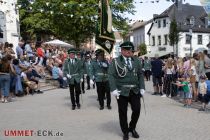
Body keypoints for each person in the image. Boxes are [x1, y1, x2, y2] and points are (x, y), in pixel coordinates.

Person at [108, 41, 145, 140]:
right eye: (127, 50)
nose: (129, 52)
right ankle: (125, 132)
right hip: (121, 91)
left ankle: (132, 128)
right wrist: (113, 89)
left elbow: (140, 74)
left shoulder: (136, 60)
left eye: (130, 50)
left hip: (135, 90)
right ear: (122, 50)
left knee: (137, 109)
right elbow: (111, 75)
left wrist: (142, 87)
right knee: (123, 112)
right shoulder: (116, 61)